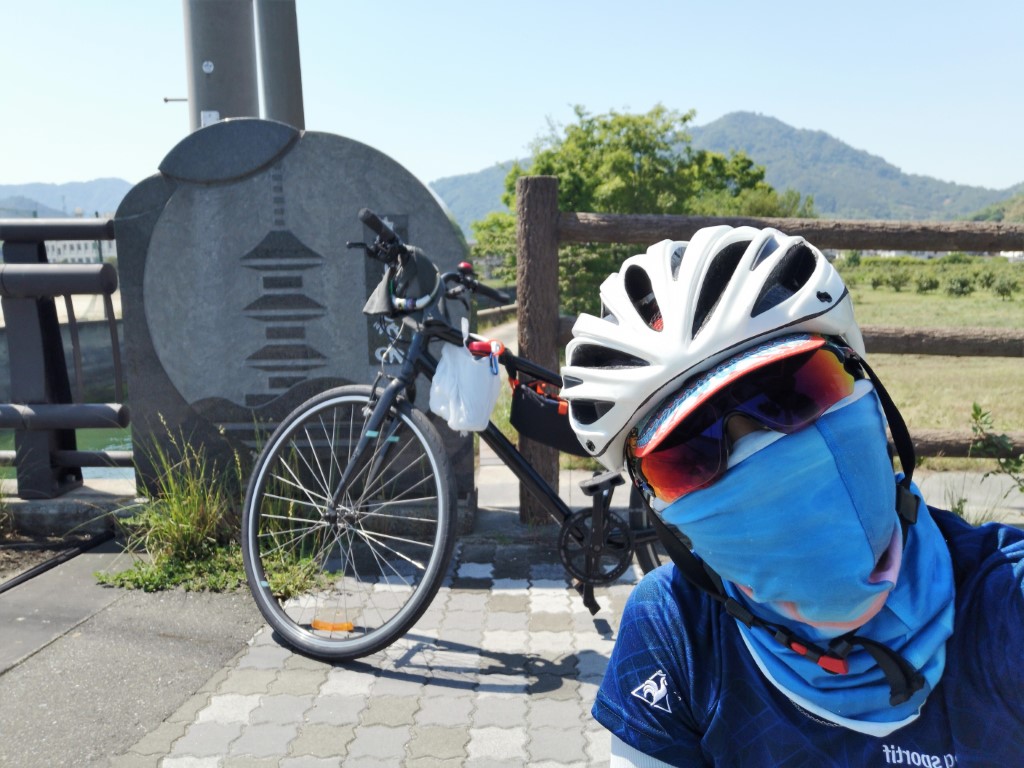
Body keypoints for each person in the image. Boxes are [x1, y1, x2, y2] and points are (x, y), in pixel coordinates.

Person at [560, 226, 1024, 767]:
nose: (761, 457)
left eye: (796, 393)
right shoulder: (676, 628)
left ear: (869, 393)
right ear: (657, 509)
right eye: (684, 457)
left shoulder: (1005, 603)